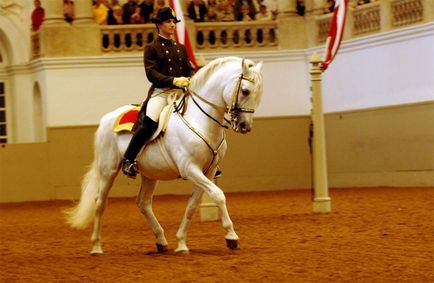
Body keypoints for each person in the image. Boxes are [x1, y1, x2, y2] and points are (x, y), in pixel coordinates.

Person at [121, 7, 195, 178]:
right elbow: (151, 74)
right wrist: (174, 80)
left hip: (180, 94)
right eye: (168, 22)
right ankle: (129, 159)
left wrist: (193, 76)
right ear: (159, 25)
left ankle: (204, 160)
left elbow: (188, 70)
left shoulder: (181, 48)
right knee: (150, 122)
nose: (172, 25)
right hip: (161, 93)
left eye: (173, 22)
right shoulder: (152, 48)